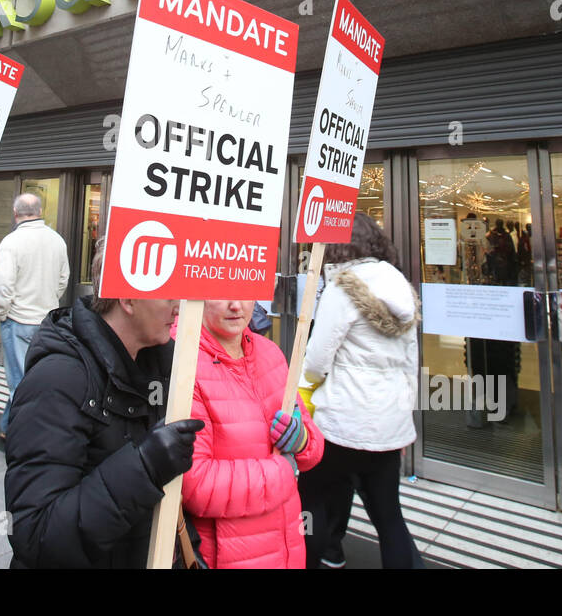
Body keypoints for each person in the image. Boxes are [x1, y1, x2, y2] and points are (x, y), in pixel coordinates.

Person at [4, 239, 203, 568]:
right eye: (169, 292)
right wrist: (144, 467)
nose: (178, 306)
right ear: (127, 298)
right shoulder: (58, 378)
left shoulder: (158, 367)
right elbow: (34, 534)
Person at [298, 213, 423, 569]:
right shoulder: (398, 282)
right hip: (388, 426)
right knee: (390, 519)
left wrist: (307, 384)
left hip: (342, 421)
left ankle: (322, 557)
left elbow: (318, 357)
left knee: (310, 500)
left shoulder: (344, 286)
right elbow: (410, 360)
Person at [181, 298, 324, 569]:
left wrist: (303, 441)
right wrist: (284, 470)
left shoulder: (270, 353)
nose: (236, 305)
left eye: (245, 292)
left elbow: (314, 448)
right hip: (229, 557)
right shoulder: (182, 361)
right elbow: (196, 486)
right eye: (221, 292)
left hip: (288, 550)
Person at [0, 193, 70, 438]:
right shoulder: (57, 241)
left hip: (18, 320)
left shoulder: (11, 242)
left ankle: (24, 436)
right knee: (35, 377)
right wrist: (49, 300)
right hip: (46, 320)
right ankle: (7, 427)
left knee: (19, 382)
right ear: (40, 211)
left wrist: (2, 313)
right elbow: (63, 279)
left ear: (16, 214)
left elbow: (3, 286)